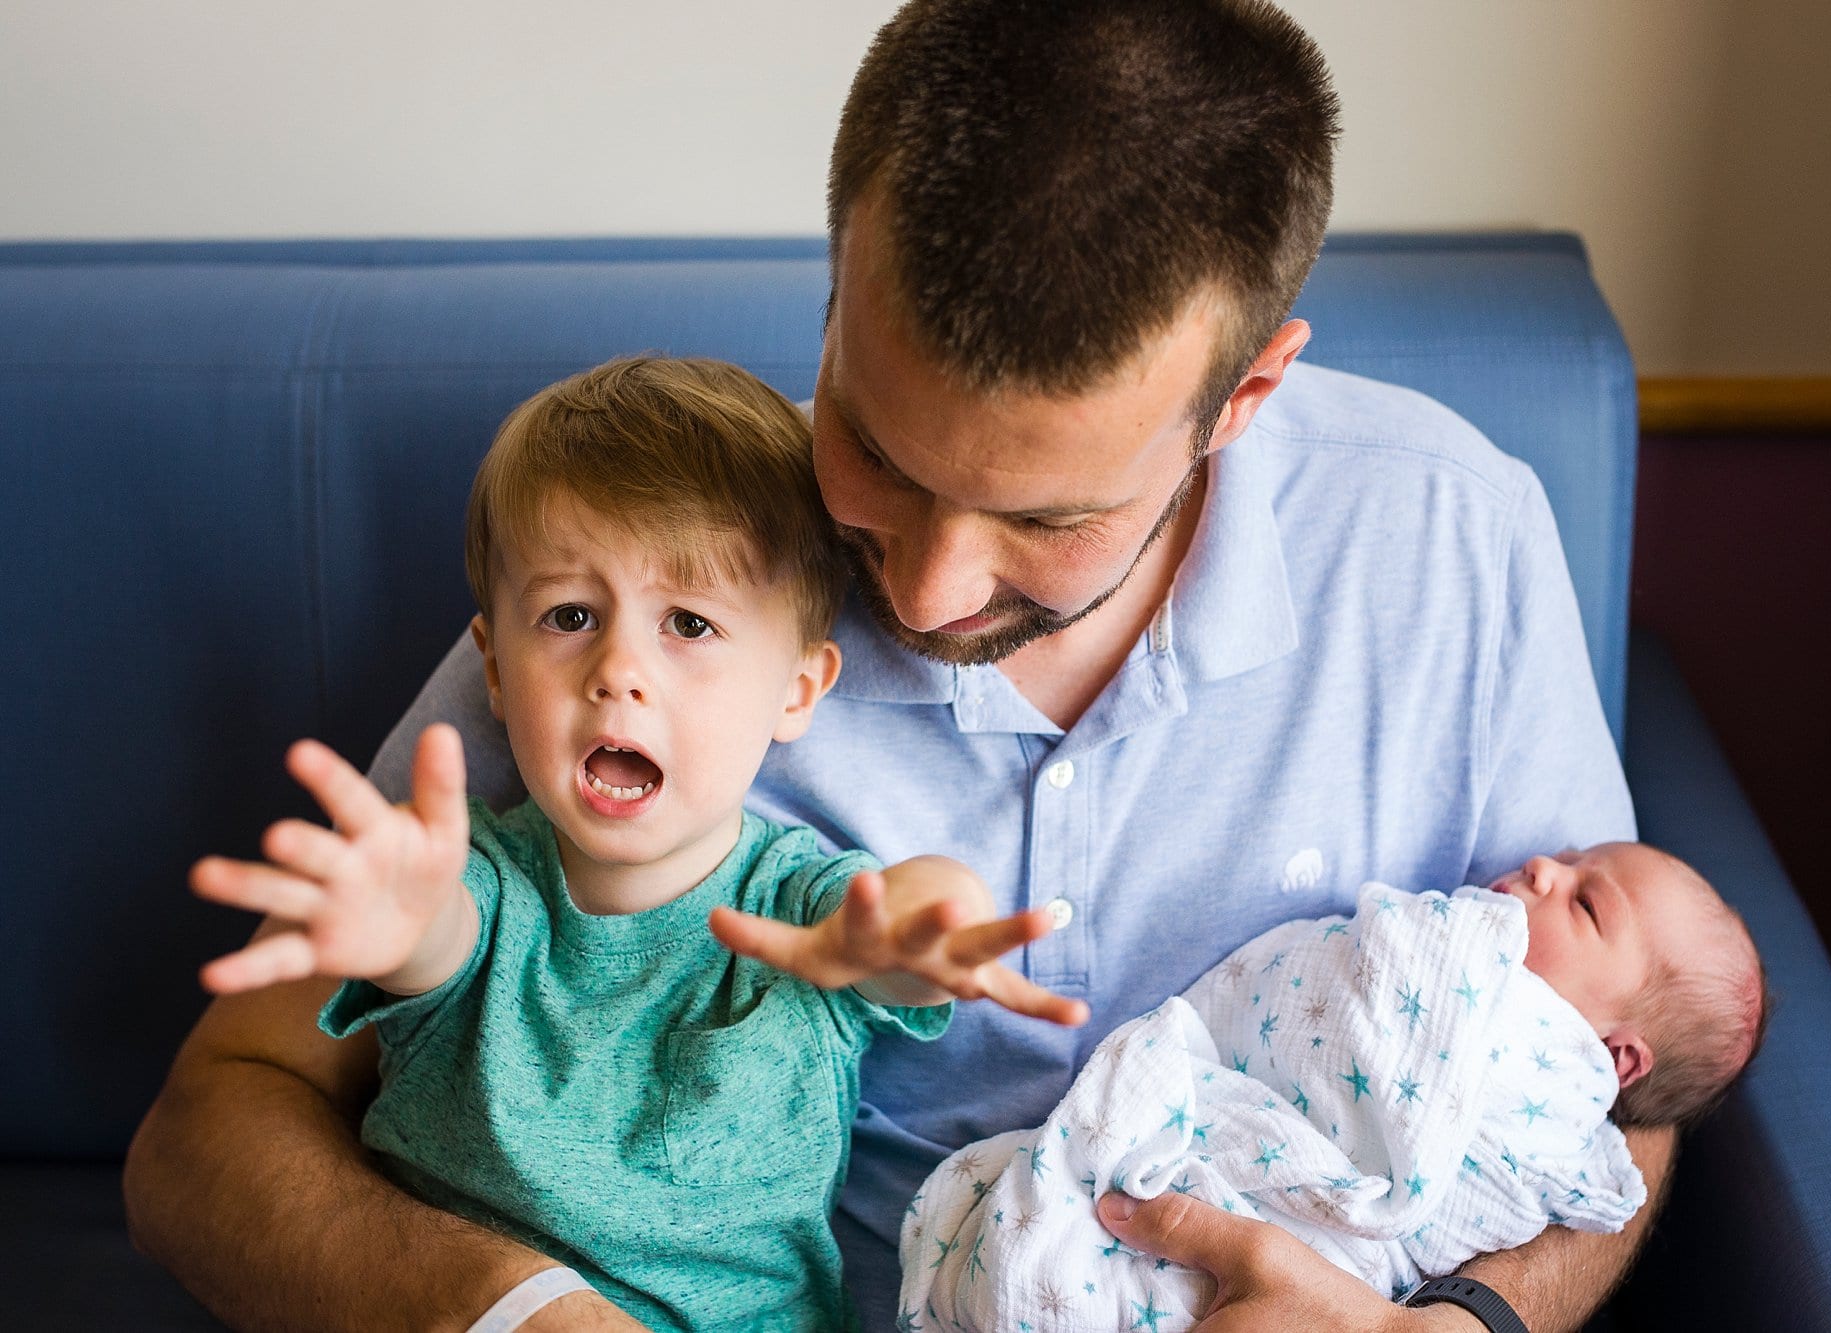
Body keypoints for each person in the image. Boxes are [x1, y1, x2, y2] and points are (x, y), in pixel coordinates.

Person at [125, 3, 1668, 1330]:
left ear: (1247, 393)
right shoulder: (672, 574)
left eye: (1049, 518)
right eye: (873, 443)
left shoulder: (1451, 542)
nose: (925, 585)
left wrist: (1464, 1320)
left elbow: (1633, 1093)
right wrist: (509, 1306)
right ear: (836, 276)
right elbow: (213, 1125)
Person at [183, 356, 1086, 1331]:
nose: (617, 671)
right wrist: (394, 920)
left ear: (797, 689)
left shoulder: (798, 907)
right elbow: (437, 937)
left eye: (688, 624)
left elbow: (892, 930)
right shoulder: (475, 883)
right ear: (492, 667)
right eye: (569, 616)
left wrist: (923, 925)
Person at [900, 844, 1767, 1331]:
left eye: (1584, 904)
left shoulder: (1552, 1079)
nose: (1544, 866)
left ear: (1614, 1061)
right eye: (1574, 862)